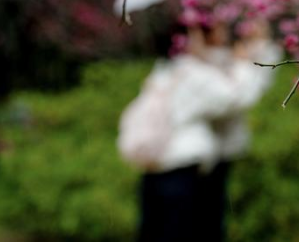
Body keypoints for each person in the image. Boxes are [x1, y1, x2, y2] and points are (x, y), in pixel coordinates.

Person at [117, 22, 280, 242]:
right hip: (181, 173)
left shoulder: (167, 69)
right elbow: (236, 97)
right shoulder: (192, 73)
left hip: (158, 170)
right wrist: (247, 61)